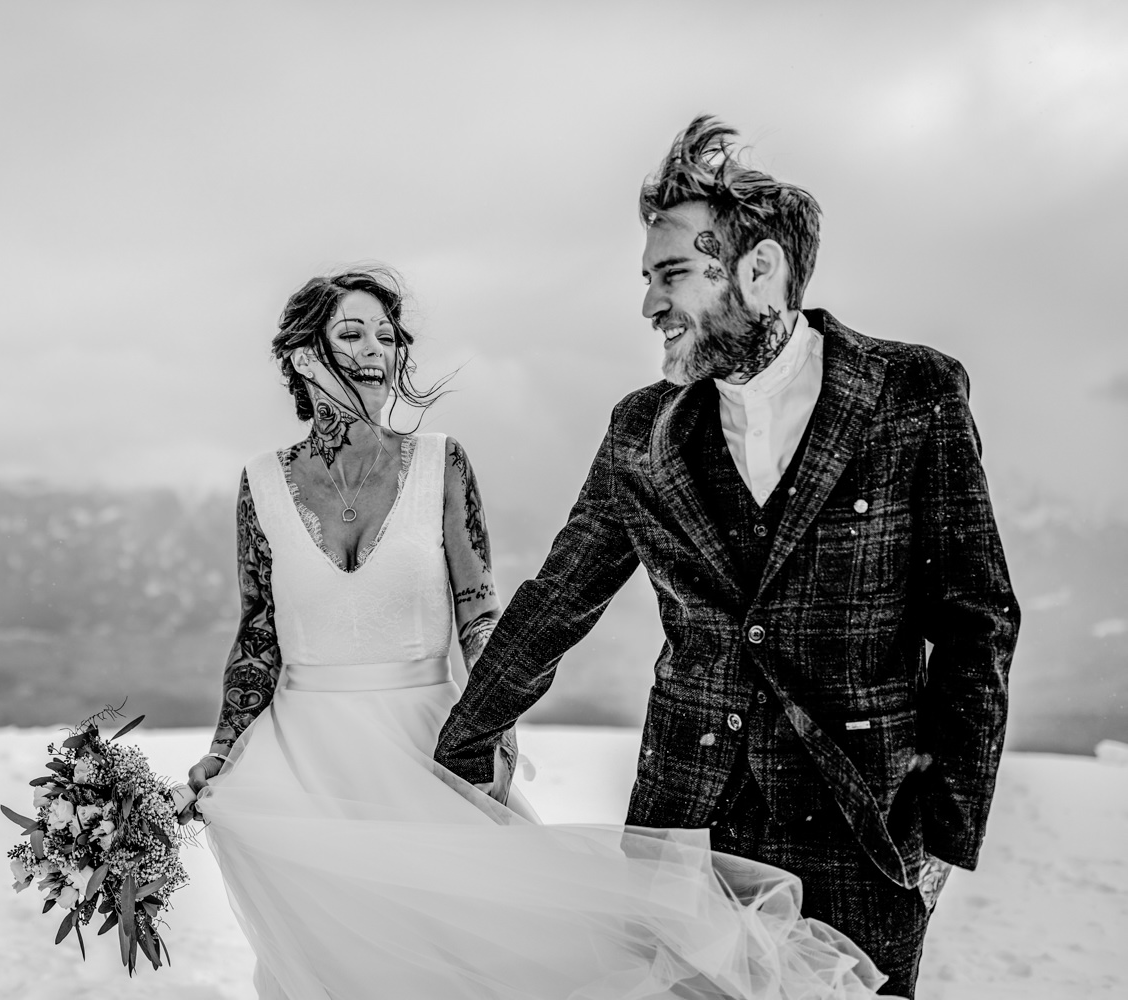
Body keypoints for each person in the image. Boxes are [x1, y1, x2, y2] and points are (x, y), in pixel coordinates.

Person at [435, 116, 1021, 998]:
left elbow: (977, 624)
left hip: (863, 844)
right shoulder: (640, 431)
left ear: (760, 269)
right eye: (647, 278)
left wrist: (943, 839)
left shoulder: (913, 395)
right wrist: (460, 745)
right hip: (682, 838)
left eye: (671, 274)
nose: (648, 305)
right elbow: (560, 597)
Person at [183, 266, 886, 998]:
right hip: (297, 769)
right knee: (328, 967)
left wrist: (496, 731)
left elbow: (479, 613)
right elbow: (259, 633)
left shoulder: (440, 464)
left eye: (386, 337)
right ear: (303, 357)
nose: (374, 352)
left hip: (426, 747)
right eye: (351, 334)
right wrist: (225, 748)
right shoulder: (261, 482)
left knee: (475, 957)